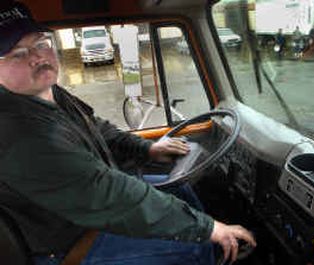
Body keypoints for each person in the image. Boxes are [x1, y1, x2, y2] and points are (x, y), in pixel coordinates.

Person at [0, 2, 256, 265]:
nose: (37, 56)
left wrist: (147, 149)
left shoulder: (48, 94)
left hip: (84, 211)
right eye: (17, 53)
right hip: (64, 243)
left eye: (41, 43)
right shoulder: (17, 132)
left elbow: (96, 127)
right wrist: (208, 228)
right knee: (194, 244)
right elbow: (104, 193)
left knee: (181, 190)